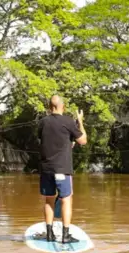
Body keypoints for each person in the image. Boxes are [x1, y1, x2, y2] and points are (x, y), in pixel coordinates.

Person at [38, 95, 87, 244]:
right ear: (62, 106)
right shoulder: (68, 121)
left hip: (46, 169)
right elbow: (83, 141)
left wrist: (68, 142)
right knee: (66, 200)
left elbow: (47, 140)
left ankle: (49, 234)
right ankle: (65, 236)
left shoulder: (42, 123)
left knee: (49, 200)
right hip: (62, 169)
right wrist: (80, 122)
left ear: (49, 107)